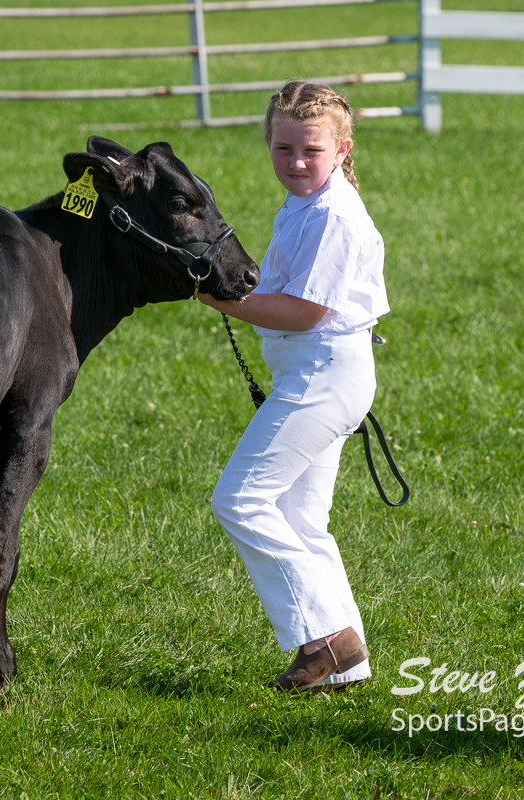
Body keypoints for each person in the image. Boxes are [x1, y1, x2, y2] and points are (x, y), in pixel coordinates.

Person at [198, 81, 389, 692]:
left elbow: (305, 312)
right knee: (300, 519)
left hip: (323, 373)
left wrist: (218, 299)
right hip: (316, 371)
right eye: (284, 149)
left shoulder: (334, 215)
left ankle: (326, 640)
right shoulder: (306, 204)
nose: (297, 162)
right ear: (268, 143)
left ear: (342, 149)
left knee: (240, 500)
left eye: (311, 150)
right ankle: (346, 664)